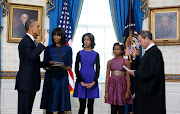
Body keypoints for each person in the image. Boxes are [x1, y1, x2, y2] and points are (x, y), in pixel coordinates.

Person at [15, 20, 53, 114]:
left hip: (29, 83)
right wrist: (42, 42)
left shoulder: (31, 41)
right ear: (30, 28)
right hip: (26, 83)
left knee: (27, 110)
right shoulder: (26, 41)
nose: (40, 28)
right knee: (25, 111)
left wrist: (48, 63)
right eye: (38, 26)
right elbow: (32, 56)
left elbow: (33, 62)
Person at [129, 30, 166, 114]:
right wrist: (135, 58)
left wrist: (135, 73)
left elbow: (151, 73)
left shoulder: (154, 52)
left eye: (139, 41)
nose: (139, 43)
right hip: (146, 94)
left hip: (151, 95)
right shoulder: (149, 52)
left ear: (146, 38)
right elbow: (143, 69)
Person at [40, 27, 72, 114]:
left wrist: (63, 67)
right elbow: (44, 64)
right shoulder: (48, 49)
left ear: (62, 36)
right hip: (50, 78)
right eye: (54, 35)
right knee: (49, 105)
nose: (55, 37)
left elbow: (69, 66)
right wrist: (50, 64)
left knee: (61, 106)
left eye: (58, 35)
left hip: (62, 79)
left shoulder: (68, 49)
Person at [73, 33, 100, 114]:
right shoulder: (79, 53)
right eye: (85, 40)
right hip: (82, 79)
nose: (86, 42)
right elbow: (76, 68)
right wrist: (81, 82)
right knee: (82, 105)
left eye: (88, 40)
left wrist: (94, 82)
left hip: (92, 80)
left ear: (92, 41)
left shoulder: (96, 54)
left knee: (90, 106)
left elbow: (98, 69)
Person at [105, 43, 132, 114]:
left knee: (121, 108)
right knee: (113, 108)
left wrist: (127, 91)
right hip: (112, 87)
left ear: (122, 51)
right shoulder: (109, 62)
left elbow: (128, 77)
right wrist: (106, 92)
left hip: (122, 87)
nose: (115, 51)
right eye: (114, 49)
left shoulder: (126, 62)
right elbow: (107, 76)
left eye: (118, 49)